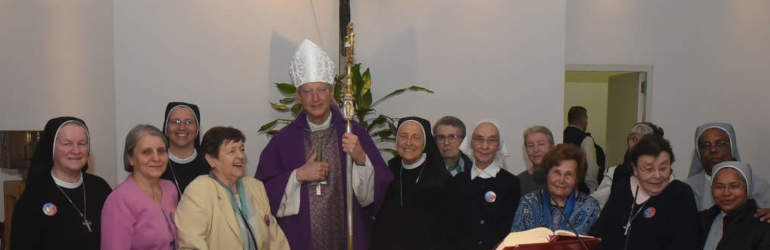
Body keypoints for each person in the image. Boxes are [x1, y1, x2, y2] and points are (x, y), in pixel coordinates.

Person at [254, 39, 392, 250]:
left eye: (321, 90)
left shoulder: (353, 132)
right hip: (301, 241)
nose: (315, 98)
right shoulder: (282, 142)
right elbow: (261, 193)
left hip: (346, 238)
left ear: (331, 92)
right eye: (307, 91)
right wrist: (297, 176)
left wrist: (361, 159)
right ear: (299, 96)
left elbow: (381, 187)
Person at [175, 127, 289, 250]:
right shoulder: (199, 190)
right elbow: (191, 243)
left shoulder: (255, 186)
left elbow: (275, 238)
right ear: (212, 160)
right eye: (232, 151)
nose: (241, 156)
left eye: (242, 149)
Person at [10, 117, 112, 250]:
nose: (76, 150)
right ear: (51, 148)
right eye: (67, 143)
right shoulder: (33, 198)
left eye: (82, 143)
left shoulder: (100, 188)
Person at [590, 135, 700, 250]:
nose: (657, 176)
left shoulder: (680, 194)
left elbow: (687, 243)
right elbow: (600, 233)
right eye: (649, 169)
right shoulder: (623, 187)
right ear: (635, 169)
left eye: (663, 168)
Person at [371, 117, 456, 250]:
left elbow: (450, 232)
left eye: (416, 137)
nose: (408, 142)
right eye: (403, 136)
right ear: (396, 140)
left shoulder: (442, 180)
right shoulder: (389, 173)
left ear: (425, 142)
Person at [101, 125, 178, 249]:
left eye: (161, 151)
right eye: (146, 152)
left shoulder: (170, 189)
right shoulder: (119, 200)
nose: (156, 158)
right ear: (131, 158)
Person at [455, 120, 520, 250]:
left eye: (492, 140)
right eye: (479, 139)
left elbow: (513, 230)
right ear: (471, 143)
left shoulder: (511, 183)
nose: (485, 146)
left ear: (498, 145)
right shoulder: (458, 182)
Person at [511, 143, 600, 235]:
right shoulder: (528, 203)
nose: (561, 180)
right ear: (547, 173)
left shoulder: (590, 207)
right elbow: (514, 240)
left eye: (568, 174)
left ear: (577, 178)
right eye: (557, 173)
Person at [687, 122, 770, 210]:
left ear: (732, 147)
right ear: (699, 152)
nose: (713, 149)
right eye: (706, 145)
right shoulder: (688, 188)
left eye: (720, 144)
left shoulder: (758, 186)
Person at [700, 161, 770, 250]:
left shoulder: (763, 225)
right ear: (712, 189)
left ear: (747, 189)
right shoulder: (702, 220)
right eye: (719, 187)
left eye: (734, 186)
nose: (726, 193)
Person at [593, 122, 663, 208]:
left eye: (644, 140)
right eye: (634, 139)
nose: (638, 144)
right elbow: (596, 203)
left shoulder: (663, 175)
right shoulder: (614, 173)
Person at [160, 102, 211, 198]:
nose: (182, 127)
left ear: (197, 129)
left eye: (188, 122)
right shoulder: (154, 164)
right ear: (166, 127)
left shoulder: (210, 164)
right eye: (176, 122)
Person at [563, 106, 603, 193]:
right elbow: (591, 170)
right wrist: (593, 191)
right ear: (583, 119)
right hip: (581, 191)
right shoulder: (585, 139)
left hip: (563, 187)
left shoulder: (561, 136)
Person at [517, 125, 554, 195]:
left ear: (552, 147)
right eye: (530, 145)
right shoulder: (518, 182)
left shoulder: (562, 179)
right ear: (526, 150)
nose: (536, 150)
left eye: (541, 144)